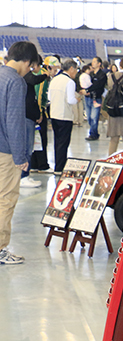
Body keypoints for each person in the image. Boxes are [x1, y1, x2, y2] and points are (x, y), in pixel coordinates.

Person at [0, 41, 37, 265]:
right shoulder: (16, 81)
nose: (29, 70)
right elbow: (14, 121)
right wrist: (21, 156)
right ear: (26, 61)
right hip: (5, 150)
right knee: (6, 199)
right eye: (30, 65)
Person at [49, 58, 79, 175]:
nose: (76, 72)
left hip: (54, 114)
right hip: (65, 116)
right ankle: (60, 168)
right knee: (64, 142)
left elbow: (50, 98)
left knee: (57, 141)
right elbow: (71, 100)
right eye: (76, 69)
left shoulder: (55, 79)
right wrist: (77, 99)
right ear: (71, 69)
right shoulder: (69, 82)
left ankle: (58, 165)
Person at [20, 55, 46, 188]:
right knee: (27, 147)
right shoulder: (26, 75)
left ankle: (26, 175)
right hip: (27, 117)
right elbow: (35, 79)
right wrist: (46, 74)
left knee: (29, 147)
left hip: (29, 116)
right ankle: (23, 176)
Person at [84, 56, 107, 140]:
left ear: (99, 64)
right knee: (89, 117)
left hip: (96, 98)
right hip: (88, 98)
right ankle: (95, 133)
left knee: (94, 117)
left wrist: (88, 90)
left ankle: (93, 134)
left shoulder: (102, 75)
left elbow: (98, 86)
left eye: (94, 62)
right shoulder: (90, 74)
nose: (92, 63)